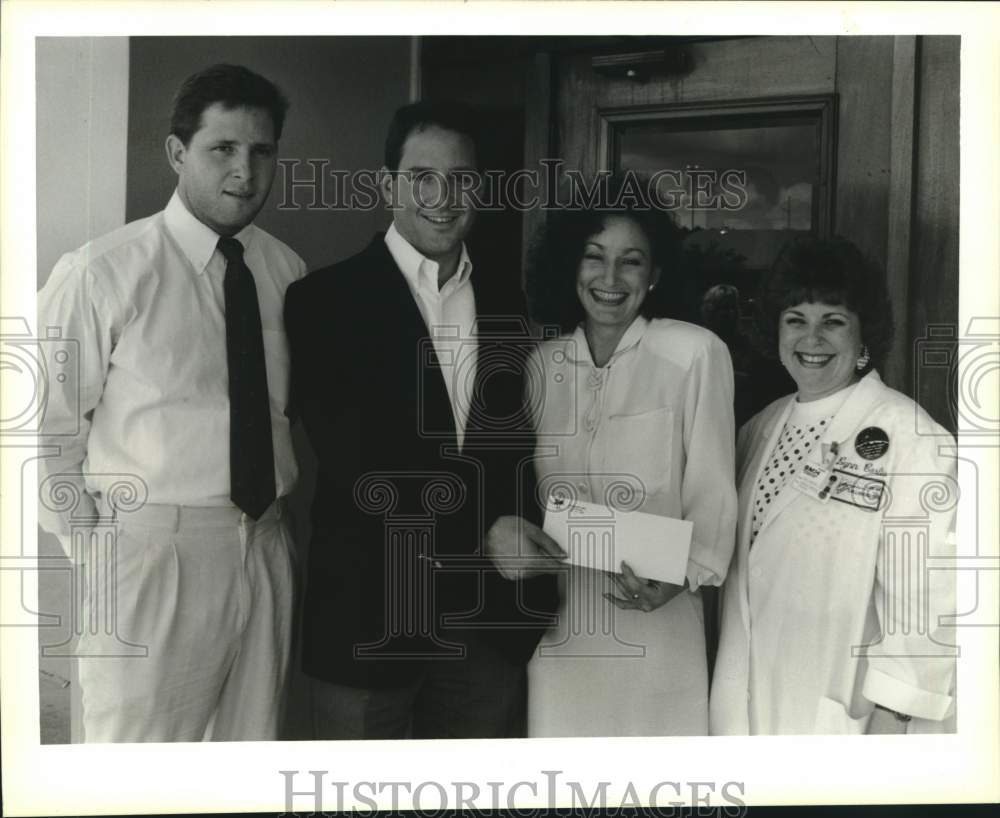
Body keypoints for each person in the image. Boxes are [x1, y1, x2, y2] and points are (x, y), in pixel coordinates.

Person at [37, 64, 305, 742]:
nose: (245, 170)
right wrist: (100, 551)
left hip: (265, 545)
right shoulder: (103, 272)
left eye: (262, 150)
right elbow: (43, 432)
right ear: (177, 153)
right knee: (134, 771)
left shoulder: (285, 273)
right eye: (223, 149)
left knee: (247, 764)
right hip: (150, 554)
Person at [284, 100, 557, 740]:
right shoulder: (324, 300)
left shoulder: (506, 301)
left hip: (484, 625)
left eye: (461, 178)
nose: (443, 195)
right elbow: (359, 462)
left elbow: (514, 448)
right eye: (422, 178)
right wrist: (484, 535)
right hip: (369, 613)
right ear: (388, 187)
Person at [489, 180, 738, 736]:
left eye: (631, 262)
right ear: (569, 266)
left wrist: (683, 576)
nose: (609, 279)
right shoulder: (539, 367)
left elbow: (713, 489)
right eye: (593, 258)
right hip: (559, 628)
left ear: (655, 275)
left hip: (658, 625)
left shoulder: (695, 353)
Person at [710, 236, 957, 735]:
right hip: (746, 708)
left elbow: (929, 596)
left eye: (833, 321)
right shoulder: (758, 429)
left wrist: (896, 712)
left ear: (864, 334)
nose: (812, 338)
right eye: (795, 319)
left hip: (851, 718)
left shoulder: (911, 436)